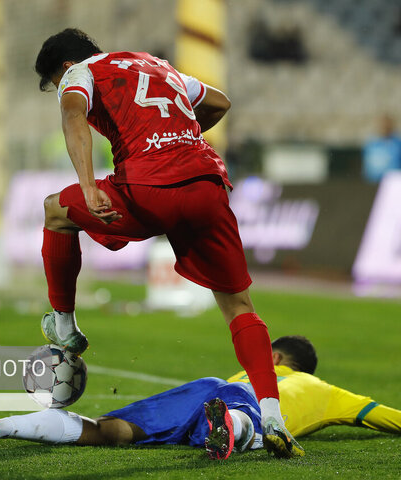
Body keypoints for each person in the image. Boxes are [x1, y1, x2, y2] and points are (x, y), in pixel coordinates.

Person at [31, 28, 300, 457]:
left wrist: (87, 185)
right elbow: (220, 102)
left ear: (63, 66)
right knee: (239, 307)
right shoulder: (154, 64)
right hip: (206, 183)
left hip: (148, 187)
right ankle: (272, 417)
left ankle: (64, 325)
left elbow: (73, 117)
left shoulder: (78, 72)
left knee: (54, 211)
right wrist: (182, 139)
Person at [0, 336, 401, 458]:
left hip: (208, 391)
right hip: (243, 408)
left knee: (107, 432)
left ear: (273, 359)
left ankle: (2, 428)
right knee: (252, 429)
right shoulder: (328, 393)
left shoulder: (239, 369)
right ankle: (236, 431)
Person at [362, 114, 401, 183]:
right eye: (382, 125)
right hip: (373, 182)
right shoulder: (371, 144)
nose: (385, 127)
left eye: (387, 124)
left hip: (394, 181)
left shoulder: (399, 143)